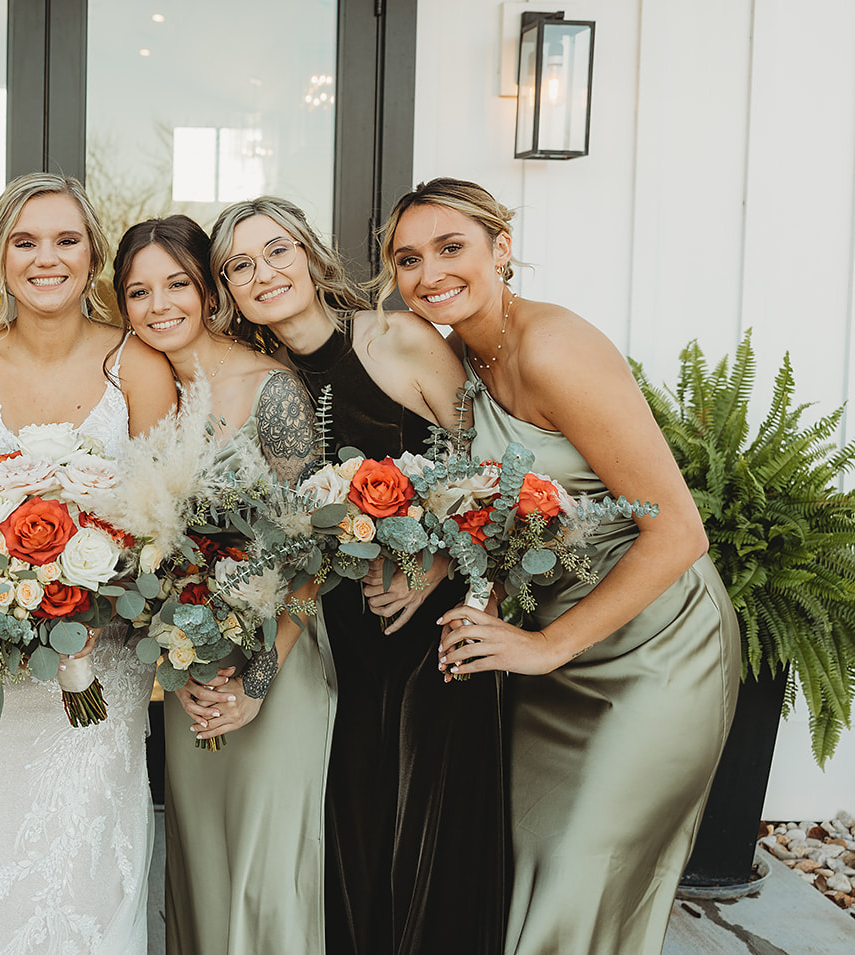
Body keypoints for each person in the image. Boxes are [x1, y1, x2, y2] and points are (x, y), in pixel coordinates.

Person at [383, 177, 740, 955]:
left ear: (502, 249)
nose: (430, 272)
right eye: (408, 259)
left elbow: (680, 532)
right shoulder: (460, 359)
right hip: (551, 659)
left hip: (655, 647)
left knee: (580, 877)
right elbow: (505, 503)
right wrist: (452, 576)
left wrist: (548, 645)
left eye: (451, 247)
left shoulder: (553, 347)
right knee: (533, 880)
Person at [211, 194, 510, 955]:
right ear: (228, 291)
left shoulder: (397, 338)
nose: (263, 273)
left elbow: (492, 475)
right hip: (336, 635)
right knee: (356, 833)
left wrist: (433, 562)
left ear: (312, 255)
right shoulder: (265, 384)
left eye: (277, 250)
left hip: (431, 629)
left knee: (428, 828)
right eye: (240, 265)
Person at [0, 173, 176, 954]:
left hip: (102, 667)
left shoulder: (138, 363)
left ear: (93, 253)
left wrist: (105, 594)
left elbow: (168, 527)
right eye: (25, 242)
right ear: (0, 257)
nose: (46, 258)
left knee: (86, 866)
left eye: (66, 240)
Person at [113, 214, 334, 953]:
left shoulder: (271, 389)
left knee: (264, 878)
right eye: (138, 291)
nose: (159, 305)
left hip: (279, 658)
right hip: (193, 667)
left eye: (177, 283)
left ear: (210, 291)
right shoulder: (141, 396)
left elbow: (314, 547)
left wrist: (259, 679)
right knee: (204, 872)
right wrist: (176, 663)